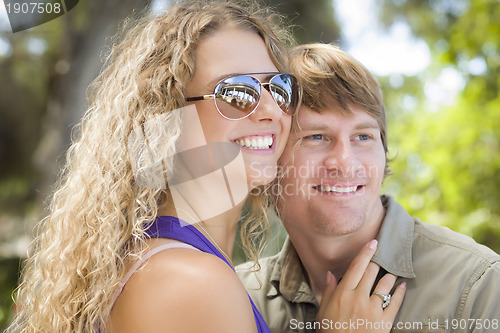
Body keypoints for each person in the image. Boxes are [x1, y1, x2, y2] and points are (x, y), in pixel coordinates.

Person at [7, 2, 403, 332]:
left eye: (279, 88)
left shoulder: (160, 257)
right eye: (236, 91)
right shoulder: (191, 282)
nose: (271, 111)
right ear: (166, 119)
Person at [237, 43, 500, 333]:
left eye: (363, 136)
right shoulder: (237, 299)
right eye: (316, 136)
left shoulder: (478, 286)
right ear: (268, 155)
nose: (345, 162)